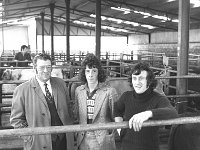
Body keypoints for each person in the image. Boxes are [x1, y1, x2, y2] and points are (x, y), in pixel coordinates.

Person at [10, 53, 74, 150]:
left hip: (64, 140)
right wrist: (30, 137)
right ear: (34, 68)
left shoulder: (60, 83)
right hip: (38, 143)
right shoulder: (22, 90)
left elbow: (69, 109)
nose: (46, 71)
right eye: (42, 67)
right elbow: (16, 120)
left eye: (48, 67)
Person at [114, 62, 178, 150]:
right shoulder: (126, 96)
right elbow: (116, 109)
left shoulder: (157, 98)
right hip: (127, 146)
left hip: (149, 147)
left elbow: (173, 113)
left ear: (149, 80)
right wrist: (119, 128)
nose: (137, 82)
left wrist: (148, 114)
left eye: (141, 78)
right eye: (134, 78)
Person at [74, 53, 118, 150]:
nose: (90, 75)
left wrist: (109, 133)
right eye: (87, 71)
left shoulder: (109, 91)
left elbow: (115, 115)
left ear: (99, 72)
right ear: (83, 73)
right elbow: (77, 114)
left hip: (102, 138)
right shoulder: (79, 91)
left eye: (94, 71)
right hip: (83, 137)